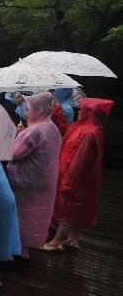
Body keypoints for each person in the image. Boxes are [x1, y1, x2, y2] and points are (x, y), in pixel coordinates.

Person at [45, 98, 115, 251]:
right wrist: (57, 112)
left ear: (89, 112)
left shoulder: (89, 133)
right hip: (73, 176)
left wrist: (69, 182)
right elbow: (66, 130)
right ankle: (72, 239)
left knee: (69, 208)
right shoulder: (85, 127)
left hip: (74, 177)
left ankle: (57, 241)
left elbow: (80, 161)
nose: (79, 111)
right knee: (78, 208)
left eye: (82, 109)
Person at [6, 92, 63, 260]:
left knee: (21, 216)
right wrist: (23, 133)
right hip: (42, 181)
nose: (26, 112)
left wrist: (16, 136)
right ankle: (24, 251)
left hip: (27, 182)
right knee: (31, 216)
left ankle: (17, 252)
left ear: (39, 110)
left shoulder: (36, 131)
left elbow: (14, 153)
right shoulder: (51, 127)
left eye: (29, 108)